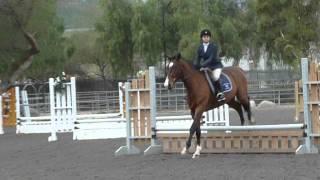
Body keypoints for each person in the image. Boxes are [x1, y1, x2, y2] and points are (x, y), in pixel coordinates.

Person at [193, 29, 225, 101]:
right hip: (206, 67)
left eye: (207, 36)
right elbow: (197, 59)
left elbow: (210, 59)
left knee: (215, 77)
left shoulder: (214, 46)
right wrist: (195, 66)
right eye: (204, 36)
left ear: (209, 38)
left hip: (215, 66)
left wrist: (201, 66)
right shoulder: (200, 47)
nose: (206, 38)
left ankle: (220, 93)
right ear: (202, 38)